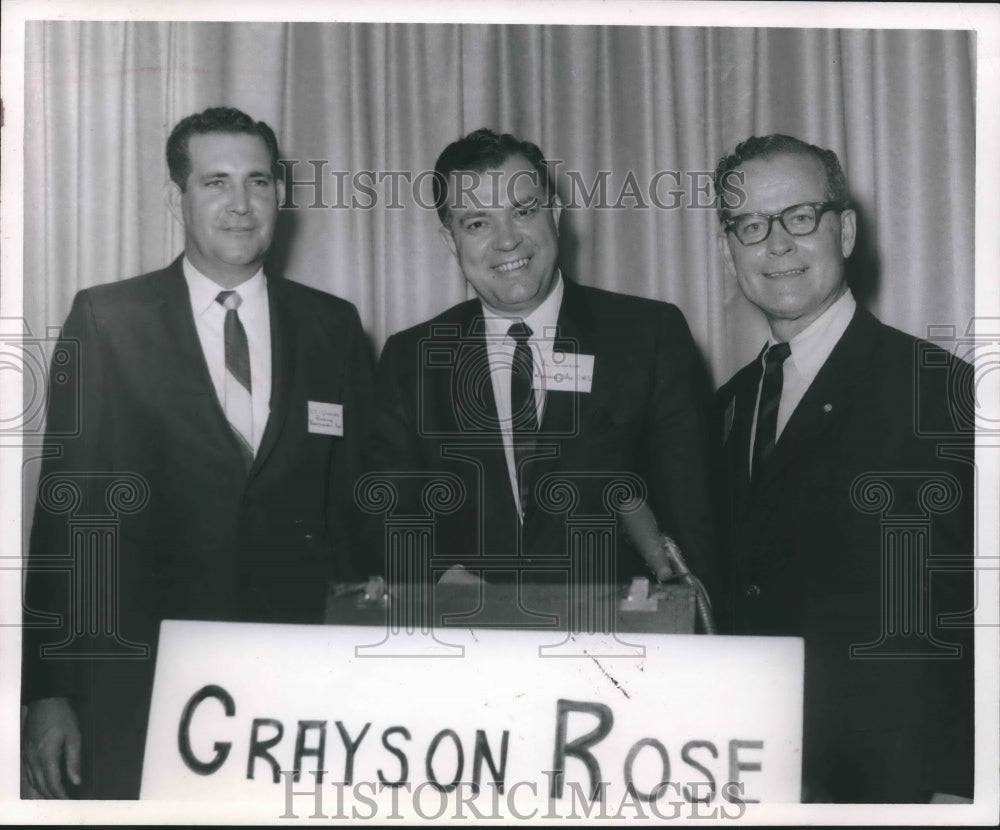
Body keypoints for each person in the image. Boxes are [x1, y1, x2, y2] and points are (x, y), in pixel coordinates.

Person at [20, 106, 374, 799]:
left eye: (259, 182)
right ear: (175, 196)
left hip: (296, 686)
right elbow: (66, 519)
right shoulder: (108, 320)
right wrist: (49, 690)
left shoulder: (333, 326)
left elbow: (357, 509)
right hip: (140, 683)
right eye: (215, 182)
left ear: (280, 194)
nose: (241, 205)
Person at [713, 134, 974, 802]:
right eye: (751, 226)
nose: (777, 245)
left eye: (800, 218)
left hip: (897, 785)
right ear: (728, 251)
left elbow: (976, 610)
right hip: (762, 775)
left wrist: (958, 783)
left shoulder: (936, 389)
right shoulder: (725, 406)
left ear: (846, 230)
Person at [364, 128, 717, 615]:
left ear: (555, 211)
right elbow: (390, 514)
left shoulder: (648, 335)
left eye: (523, 212)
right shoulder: (410, 358)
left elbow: (692, 512)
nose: (507, 240)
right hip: (468, 645)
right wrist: (447, 580)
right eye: (477, 224)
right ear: (450, 239)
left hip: (621, 646)